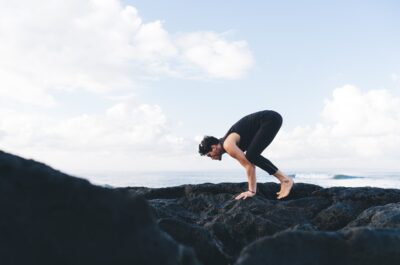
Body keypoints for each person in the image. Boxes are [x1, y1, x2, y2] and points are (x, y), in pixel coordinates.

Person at [198, 110, 294, 200]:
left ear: (214, 147)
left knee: (252, 155)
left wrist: (251, 191)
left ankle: (285, 180)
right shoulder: (227, 143)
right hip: (270, 119)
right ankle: (285, 180)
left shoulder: (228, 145)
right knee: (252, 155)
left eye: (209, 155)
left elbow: (249, 166)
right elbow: (250, 164)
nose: (211, 158)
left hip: (270, 119)